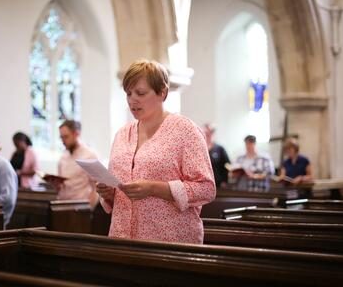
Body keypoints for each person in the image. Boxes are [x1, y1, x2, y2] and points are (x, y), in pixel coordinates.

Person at [96, 59, 215, 244]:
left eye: (140, 93)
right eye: (128, 93)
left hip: (168, 241)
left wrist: (154, 188)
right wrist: (109, 194)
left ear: (162, 92)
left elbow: (206, 189)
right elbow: (119, 191)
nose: (132, 99)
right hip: (122, 240)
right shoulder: (122, 134)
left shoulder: (184, 130)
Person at [56, 120, 99, 207]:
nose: (63, 141)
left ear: (76, 134)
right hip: (62, 205)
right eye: (61, 137)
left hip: (80, 207)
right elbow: (61, 184)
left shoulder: (89, 155)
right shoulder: (63, 156)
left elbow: (97, 187)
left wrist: (89, 208)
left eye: (66, 137)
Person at [203, 123, 230, 189]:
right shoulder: (198, 149)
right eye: (206, 133)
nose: (208, 135)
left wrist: (225, 180)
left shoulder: (220, 149)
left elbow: (227, 165)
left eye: (211, 132)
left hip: (217, 184)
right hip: (202, 184)